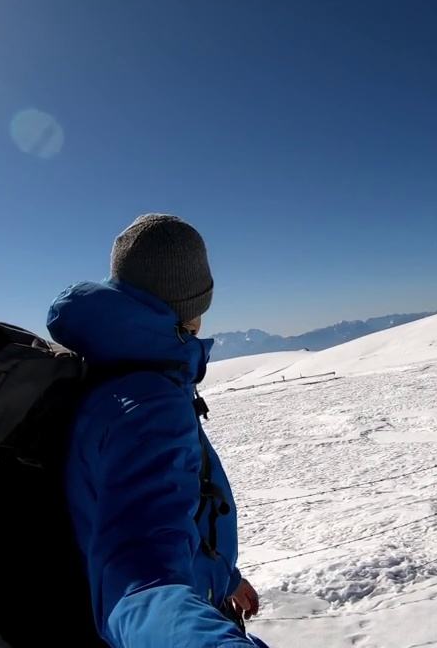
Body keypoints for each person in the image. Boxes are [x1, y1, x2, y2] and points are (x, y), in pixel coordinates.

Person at [45, 213, 269, 648]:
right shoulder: (149, 404)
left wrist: (223, 579)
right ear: (193, 305)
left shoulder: (113, 372)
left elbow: (167, 512)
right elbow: (142, 581)